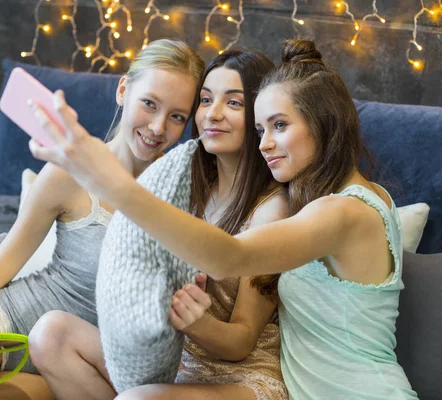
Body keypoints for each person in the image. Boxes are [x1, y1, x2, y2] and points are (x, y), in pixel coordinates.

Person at [30, 39, 419, 399]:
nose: (266, 142)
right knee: (53, 334)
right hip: (226, 371)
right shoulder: (326, 202)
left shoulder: (341, 213)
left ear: (324, 121)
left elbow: (229, 257)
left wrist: (110, 183)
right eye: (261, 128)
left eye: (279, 125)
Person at [0, 39, 204, 400]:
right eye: (149, 104)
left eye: (177, 116)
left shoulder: (180, 203)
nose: (157, 126)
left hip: (70, 359)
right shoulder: (65, 174)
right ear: (123, 90)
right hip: (10, 318)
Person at [28, 49, 289, 400]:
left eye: (234, 103)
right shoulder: (183, 182)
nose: (213, 114)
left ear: (260, 114)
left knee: (138, 398)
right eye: (206, 100)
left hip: (239, 378)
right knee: (51, 333)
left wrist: (197, 322)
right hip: (172, 364)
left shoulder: (270, 209)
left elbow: (242, 341)